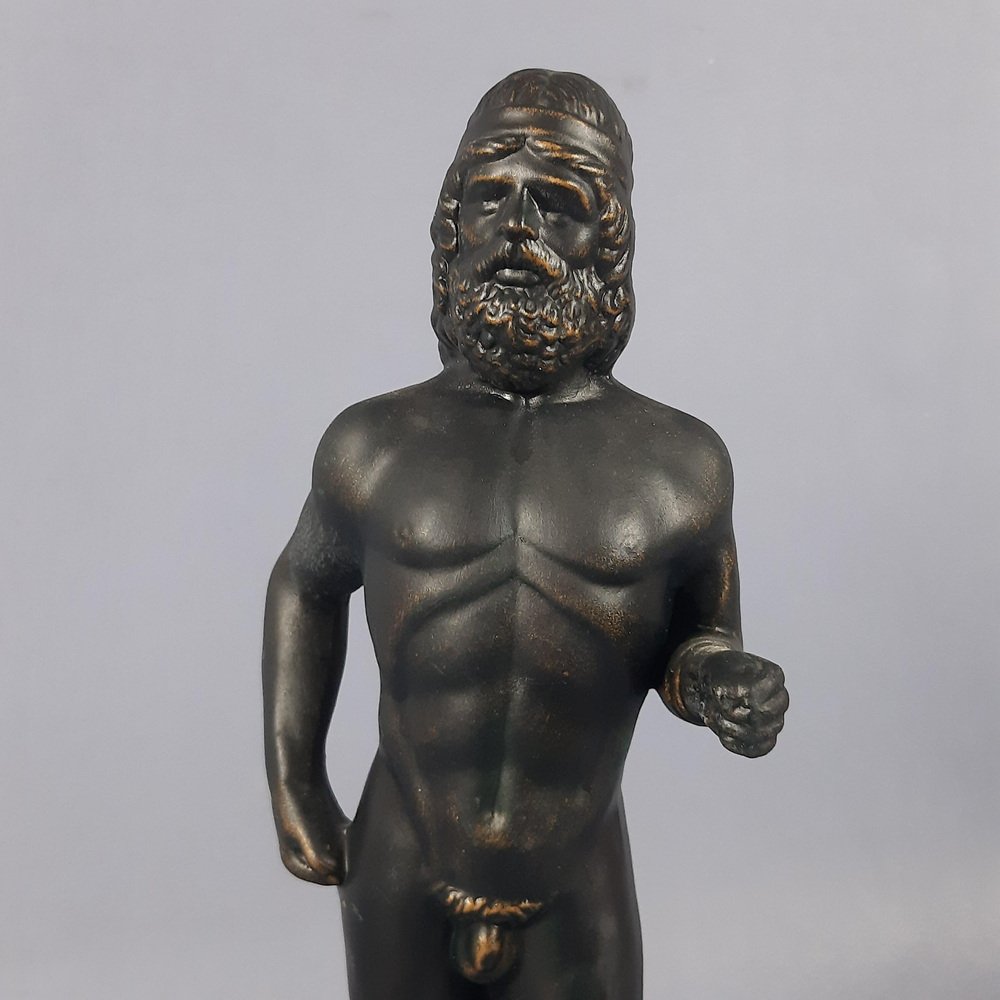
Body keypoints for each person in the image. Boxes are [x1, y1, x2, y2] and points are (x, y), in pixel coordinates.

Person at [263, 68, 788, 999]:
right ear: (451, 224)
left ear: (610, 240)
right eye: (489, 196)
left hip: (574, 865)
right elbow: (306, 583)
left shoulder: (680, 464)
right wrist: (295, 783)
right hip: (401, 851)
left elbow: (699, 642)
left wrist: (724, 685)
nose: (516, 227)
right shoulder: (372, 445)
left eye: (557, 202)